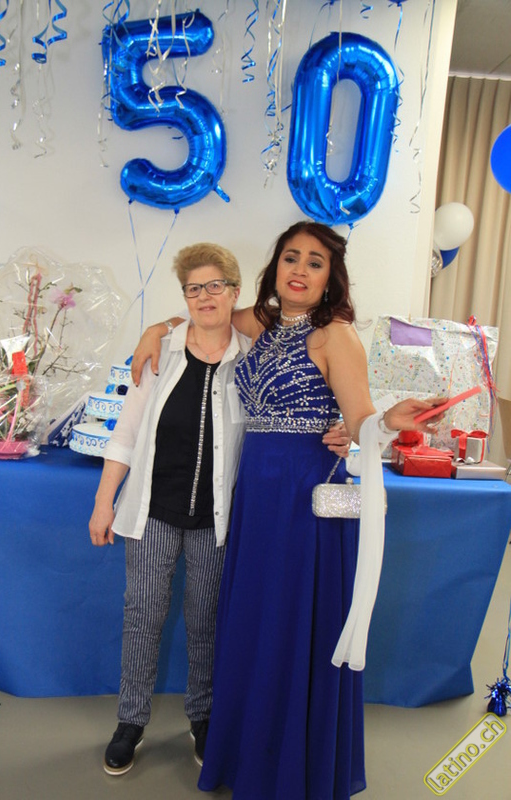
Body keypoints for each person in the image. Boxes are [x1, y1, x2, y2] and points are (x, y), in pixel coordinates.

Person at [131, 221, 444, 799]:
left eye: (315, 262)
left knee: (291, 621)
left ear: (330, 278)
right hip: (256, 491)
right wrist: (157, 328)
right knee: (256, 621)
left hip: (304, 494)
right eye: (291, 258)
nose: (300, 270)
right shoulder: (263, 322)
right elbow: (207, 314)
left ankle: (291, 768)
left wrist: (384, 422)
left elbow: (359, 418)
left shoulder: (335, 335)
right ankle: (251, 754)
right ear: (275, 268)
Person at [88, 243, 251, 775]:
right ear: (184, 296)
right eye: (193, 288)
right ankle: (130, 721)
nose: (204, 296)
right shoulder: (160, 351)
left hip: (215, 522)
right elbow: (126, 434)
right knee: (143, 617)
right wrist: (104, 502)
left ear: (234, 292)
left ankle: (202, 717)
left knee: (206, 622)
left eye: (214, 286)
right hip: (153, 514)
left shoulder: (251, 359)